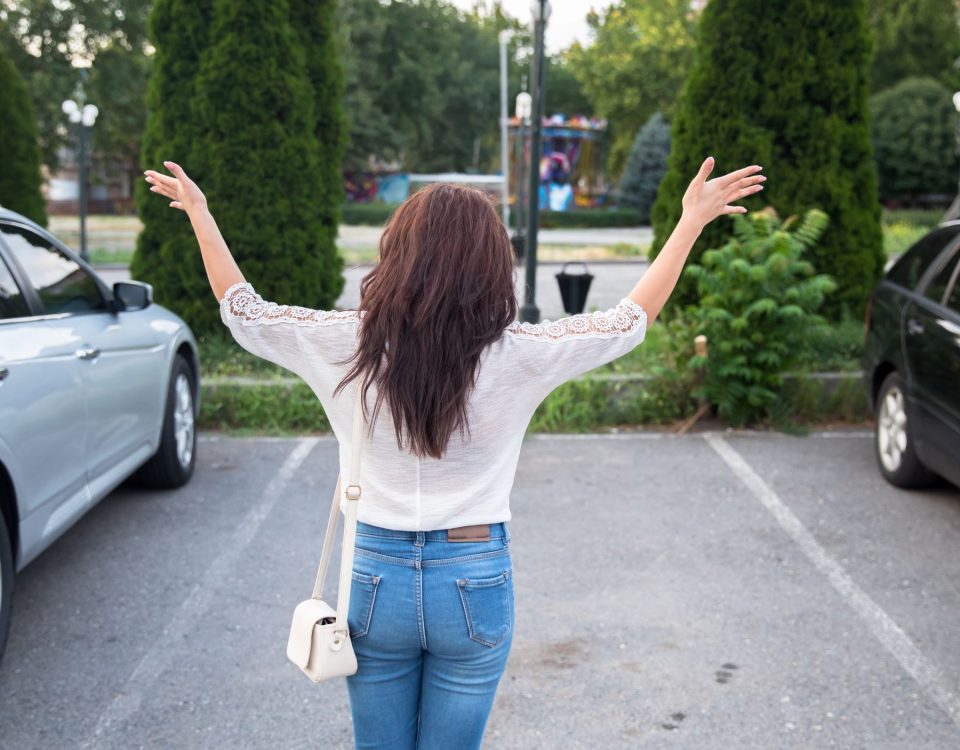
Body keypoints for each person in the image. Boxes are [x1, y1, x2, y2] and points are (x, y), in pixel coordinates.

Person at [144, 156, 764, 749]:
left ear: (397, 252)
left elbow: (242, 310)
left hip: (374, 575)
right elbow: (631, 319)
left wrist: (201, 213)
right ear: (493, 262)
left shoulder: (340, 342)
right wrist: (690, 221)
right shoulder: (519, 352)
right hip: (474, 574)